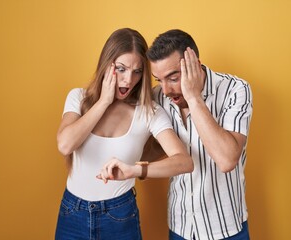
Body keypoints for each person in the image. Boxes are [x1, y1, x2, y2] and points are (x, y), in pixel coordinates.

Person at [54, 28, 194, 240]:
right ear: (106, 65)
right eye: (121, 69)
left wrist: (135, 170)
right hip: (73, 212)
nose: (128, 80)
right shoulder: (78, 98)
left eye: (137, 71)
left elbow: (184, 162)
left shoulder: (149, 112)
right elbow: (65, 145)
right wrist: (103, 102)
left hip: (119, 215)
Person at [144, 29, 253, 240]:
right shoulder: (160, 96)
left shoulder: (235, 89)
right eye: (159, 80)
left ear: (195, 64)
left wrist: (194, 97)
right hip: (180, 226)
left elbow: (226, 159)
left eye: (173, 78)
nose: (165, 90)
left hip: (226, 227)